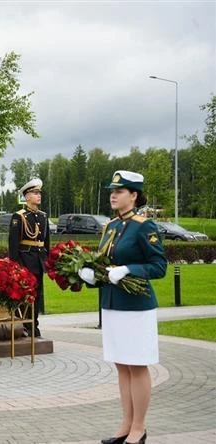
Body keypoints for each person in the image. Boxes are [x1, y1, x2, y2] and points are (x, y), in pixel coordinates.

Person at [78, 171, 166, 444]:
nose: (113, 195)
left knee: (137, 366)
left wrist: (129, 269)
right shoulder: (111, 227)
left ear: (134, 195)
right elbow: (106, 266)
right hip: (113, 305)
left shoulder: (144, 226)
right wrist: (92, 275)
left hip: (137, 308)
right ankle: (126, 424)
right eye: (112, 191)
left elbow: (159, 266)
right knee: (122, 366)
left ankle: (139, 428)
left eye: (120, 191)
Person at [8, 178, 50, 338]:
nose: (38, 195)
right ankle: (27, 325)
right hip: (25, 261)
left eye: (39, 192)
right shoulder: (19, 216)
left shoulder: (43, 216)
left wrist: (46, 260)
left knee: (37, 295)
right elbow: (13, 244)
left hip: (38, 261)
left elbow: (46, 242)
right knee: (26, 295)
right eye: (34, 193)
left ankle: (34, 324)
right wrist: (15, 266)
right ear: (27, 196)